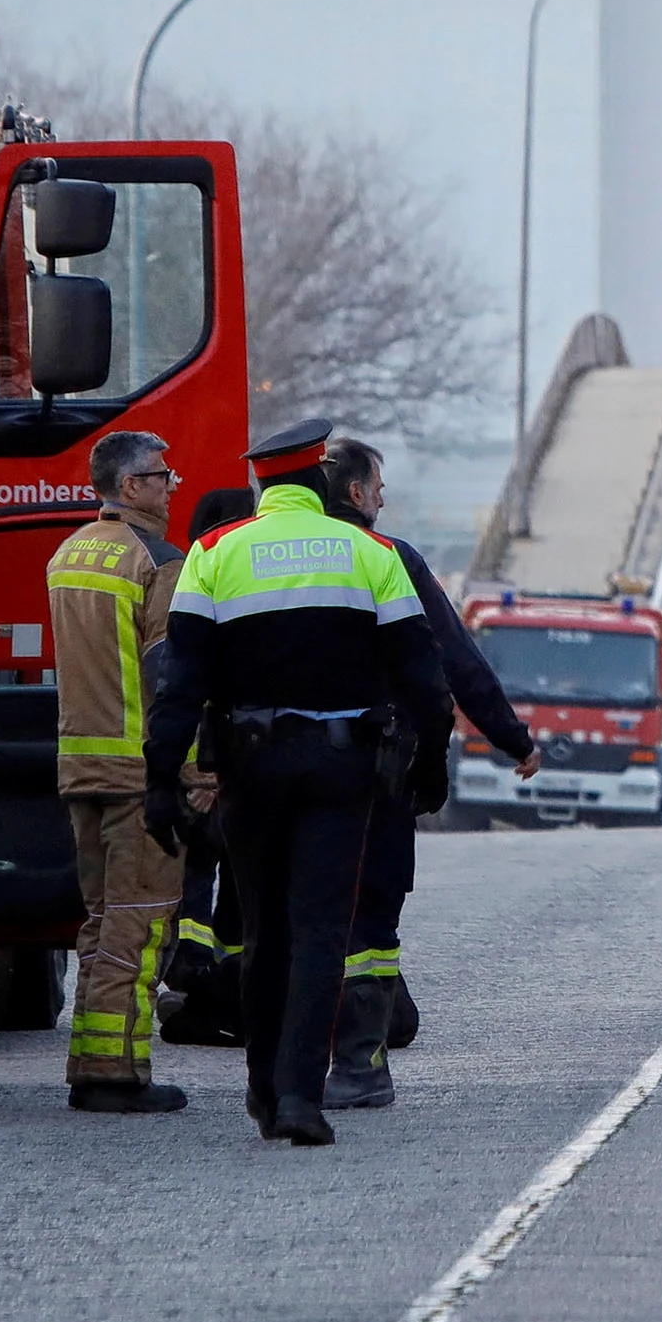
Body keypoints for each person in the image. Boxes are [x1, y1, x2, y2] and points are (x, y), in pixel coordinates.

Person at [139, 419, 450, 1145]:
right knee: (319, 931)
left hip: (250, 770)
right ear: (318, 482)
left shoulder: (214, 553)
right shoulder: (372, 553)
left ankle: (264, 1088)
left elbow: (180, 684)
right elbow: (422, 673)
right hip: (344, 772)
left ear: (262, 486)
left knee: (262, 927)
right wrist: (429, 762)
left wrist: (162, 782)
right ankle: (302, 1099)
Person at [317, 437, 535, 1108]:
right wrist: (509, 738)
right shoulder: (388, 559)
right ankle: (361, 1063)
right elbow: (448, 663)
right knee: (371, 918)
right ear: (356, 493)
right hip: (372, 767)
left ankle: (288, 1068)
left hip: (270, 770)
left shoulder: (239, 554)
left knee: (294, 912)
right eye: (377, 486)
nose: (383, 497)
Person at [45, 429, 188, 1114]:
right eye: (163, 476)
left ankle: (94, 1060)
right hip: (138, 771)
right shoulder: (158, 560)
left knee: (102, 922)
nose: (170, 486)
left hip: (81, 767)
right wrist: (198, 774)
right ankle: (112, 1073)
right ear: (130, 486)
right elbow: (171, 678)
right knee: (140, 923)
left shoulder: (69, 552)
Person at [155, 484, 256, 1043]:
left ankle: (202, 977)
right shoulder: (218, 581)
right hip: (218, 767)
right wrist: (203, 773)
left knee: (197, 874)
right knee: (224, 879)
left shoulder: (189, 576)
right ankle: (215, 981)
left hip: (200, 765)